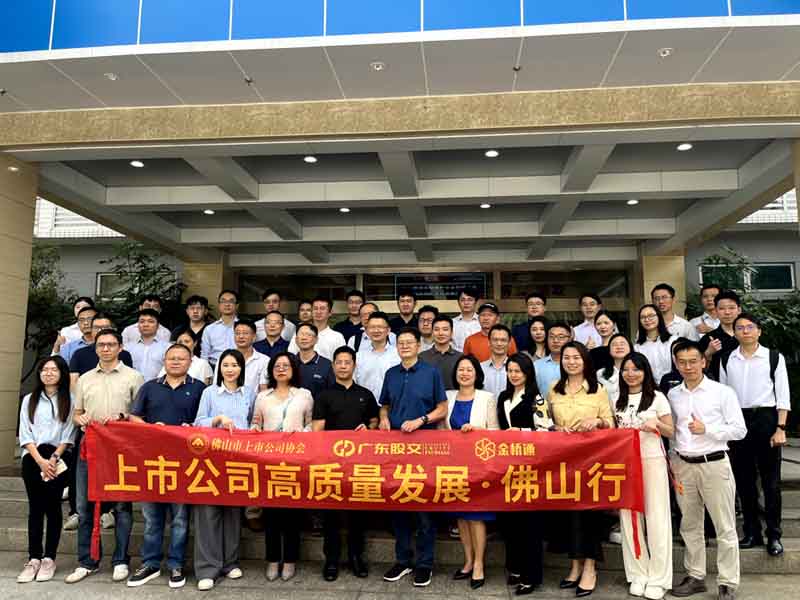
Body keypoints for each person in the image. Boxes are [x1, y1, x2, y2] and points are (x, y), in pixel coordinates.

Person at [668, 340, 746, 600]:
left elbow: (739, 430)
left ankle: (727, 583)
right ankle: (695, 576)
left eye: (693, 361)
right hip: (683, 465)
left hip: (714, 464)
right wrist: (673, 461)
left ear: (703, 361)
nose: (688, 367)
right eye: (682, 362)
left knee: (725, 526)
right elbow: (673, 432)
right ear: (676, 364)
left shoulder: (722, 392)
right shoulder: (673, 394)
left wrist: (708, 430)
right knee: (689, 525)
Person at [66, 329, 144, 584]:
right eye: (102, 345)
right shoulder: (85, 379)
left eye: (111, 344)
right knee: (84, 506)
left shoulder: (134, 377)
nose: (106, 349)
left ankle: (121, 560)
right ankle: (87, 561)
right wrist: (81, 419)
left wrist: (123, 418)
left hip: (122, 449)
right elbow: (76, 413)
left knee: (121, 506)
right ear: (96, 348)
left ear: (120, 347)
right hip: (90, 446)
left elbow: (140, 416)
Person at [127, 343, 206, 589]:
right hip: (152, 462)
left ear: (190, 362)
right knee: (152, 517)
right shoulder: (150, 387)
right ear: (164, 360)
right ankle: (150, 563)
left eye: (181, 358)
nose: (176, 362)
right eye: (171, 358)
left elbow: (204, 421)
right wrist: (151, 429)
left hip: (185, 463)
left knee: (180, 519)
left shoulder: (199, 388)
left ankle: (176, 564)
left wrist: (191, 429)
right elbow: (133, 417)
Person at [379, 327, 448, 587]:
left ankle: (425, 564)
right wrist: (384, 418)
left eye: (410, 342)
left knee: (423, 509)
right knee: (398, 506)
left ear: (419, 345)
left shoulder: (431, 373)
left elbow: (442, 408)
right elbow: (385, 404)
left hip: (424, 448)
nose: (405, 346)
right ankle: (403, 560)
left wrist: (421, 420)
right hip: (395, 449)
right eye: (401, 342)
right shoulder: (391, 373)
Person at [720, 313, 791, 557]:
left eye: (750, 327)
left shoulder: (773, 357)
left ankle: (774, 535)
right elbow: (723, 396)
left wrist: (780, 428)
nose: (745, 331)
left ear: (759, 331)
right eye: (740, 328)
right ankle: (751, 532)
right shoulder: (727, 358)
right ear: (734, 332)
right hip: (738, 420)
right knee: (744, 481)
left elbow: (783, 395)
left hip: (766, 419)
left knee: (771, 482)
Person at [547, 341, 614, 597]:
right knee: (569, 513)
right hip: (563, 459)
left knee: (589, 514)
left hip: (591, 459)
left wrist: (596, 421)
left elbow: (610, 423)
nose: (571, 362)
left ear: (585, 361)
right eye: (567, 357)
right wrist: (556, 428)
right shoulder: (554, 388)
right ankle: (574, 566)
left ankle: (590, 568)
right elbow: (546, 421)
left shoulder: (598, 389)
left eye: (576, 357)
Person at [313, 346, 378, 581]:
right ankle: (331, 560)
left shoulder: (365, 394)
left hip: (359, 464)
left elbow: (374, 422)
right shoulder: (324, 395)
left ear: (354, 365)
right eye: (339, 362)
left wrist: (368, 428)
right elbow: (317, 430)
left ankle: (356, 558)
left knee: (357, 514)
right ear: (333, 366)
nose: (343, 366)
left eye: (347, 362)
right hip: (331, 464)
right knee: (331, 514)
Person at [192, 349, 255, 591]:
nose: (230, 369)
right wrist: (217, 419)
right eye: (226, 365)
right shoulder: (209, 392)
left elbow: (252, 422)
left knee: (232, 512)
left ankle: (230, 562)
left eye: (235, 365)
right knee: (208, 512)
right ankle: (207, 568)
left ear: (241, 369)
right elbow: (198, 422)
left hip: (238, 459)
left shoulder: (248, 393)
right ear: (219, 368)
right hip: (210, 459)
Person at [615, 353, 674, 600]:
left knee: (656, 517)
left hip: (652, 462)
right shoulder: (616, 399)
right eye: (626, 369)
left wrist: (657, 424)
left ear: (645, 371)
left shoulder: (658, 397)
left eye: (636, 369)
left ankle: (659, 578)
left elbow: (671, 431)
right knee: (629, 518)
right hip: (625, 465)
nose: (631, 374)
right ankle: (637, 573)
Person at [252, 352, 313, 582]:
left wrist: (301, 435)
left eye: (286, 365)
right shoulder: (262, 397)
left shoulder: (304, 395)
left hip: (295, 462)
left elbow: (311, 424)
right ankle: (272, 559)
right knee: (271, 515)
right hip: (269, 462)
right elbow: (255, 422)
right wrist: (255, 430)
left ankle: (289, 560)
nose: (281, 369)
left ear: (294, 369)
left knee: (292, 515)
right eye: (277, 366)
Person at [497, 353, 552, 595]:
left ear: (528, 373)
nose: (514, 375)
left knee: (530, 524)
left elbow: (545, 431)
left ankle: (531, 576)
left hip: (531, 467)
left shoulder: (537, 399)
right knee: (511, 523)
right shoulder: (503, 397)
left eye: (518, 371)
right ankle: (516, 568)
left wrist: (518, 431)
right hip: (507, 468)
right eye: (510, 370)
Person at [442, 354, 498, 590]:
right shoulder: (447, 396)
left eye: (469, 370)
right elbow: (441, 430)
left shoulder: (487, 398)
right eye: (461, 370)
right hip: (454, 465)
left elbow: (495, 432)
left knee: (476, 516)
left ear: (477, 374)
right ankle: (467, 561)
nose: (464, 373)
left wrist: (476, 430)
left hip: (478, 465)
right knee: (462, 517)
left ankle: (479, 564)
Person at [17, 356, 75, 584]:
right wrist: (40, 461)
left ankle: (49, 558)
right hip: (33, 457)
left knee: (52, 507)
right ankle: (33, 558)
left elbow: (69, 434)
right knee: (35, 508)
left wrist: (53, 458)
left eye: (53, 370)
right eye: (44, 369)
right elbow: (25, 433)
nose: (48, 373)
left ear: (62, 373)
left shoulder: (70, 399)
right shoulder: (29, 399)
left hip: (58, 458)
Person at [68, 313, 134, 384]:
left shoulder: (124, 354)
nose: (100, 331)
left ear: (113, 329)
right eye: (96, 328)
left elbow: (129, 380)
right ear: (91, 330)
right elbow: (74, 383)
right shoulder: (79, 355)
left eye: (105, 327)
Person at [213, 319, 269, 398]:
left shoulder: (264, 360)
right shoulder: (224, 358)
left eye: (245, 333)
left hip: (251, 403)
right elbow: (216, 384)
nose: (241, 336)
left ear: (254, 337)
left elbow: (263, 390)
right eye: (237, 333)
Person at [354, 311, 401, 401]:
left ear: (388, 330)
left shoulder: (398, 355)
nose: (376, 330)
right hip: (365, 405)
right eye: (372, 327)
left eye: (380, 327)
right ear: (366, 331)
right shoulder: (359, 357)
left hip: (392, 405)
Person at [698, 290, 742, 381]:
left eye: (731, 308)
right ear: (716, 311)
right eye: (722, 309)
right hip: (718, 385)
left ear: (739, 310)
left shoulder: (748, 335)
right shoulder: (708, 339)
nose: (727, 312)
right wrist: (708, 353)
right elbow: (697, 369)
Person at [287, 322, 335, 400]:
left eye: (308, 335)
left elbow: (332, 393)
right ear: (296, 340)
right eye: (301, 334)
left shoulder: (326, 364)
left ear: (316, 340)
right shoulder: (288, 363)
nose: (304, 338)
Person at [634, 304, 677, 384]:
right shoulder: (637, 348)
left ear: (659, 317)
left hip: (672, 385)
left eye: (651, 316)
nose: (647, 319)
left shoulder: (673, 341)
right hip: (649, 387)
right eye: (643, 317)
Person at [420, 315, 463, 391]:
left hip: (454, 397)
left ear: (451, 333)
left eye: (445, 329)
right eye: (436, 329)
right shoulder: (422, 357)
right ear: (432, 332)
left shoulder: (461, 357)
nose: (440, 333)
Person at [126, 309, 170, 381]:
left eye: (151, 321)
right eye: (142, 321)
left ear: (158, 326)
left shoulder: (168, 348)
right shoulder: (127, 348)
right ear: (138, 325)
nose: (146, 325)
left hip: (158, 386)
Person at [201, 290, 239, 369]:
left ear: (237, 305)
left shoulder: (244, 327)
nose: (227, 304)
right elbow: (204, 355)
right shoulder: (209, 329)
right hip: (214, 366)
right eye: (223, 301)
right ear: (219, 305)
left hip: (238, 366)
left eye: (231, 301)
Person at [534, 322, 572, 397]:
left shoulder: (576, 365)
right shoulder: (537, 365)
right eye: (551, 337)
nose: (555, 340)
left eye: (561, 337)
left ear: (570, 339)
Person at [596, 333, 633, 406]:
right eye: (614, 345)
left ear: (630, 347)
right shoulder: (600, 373)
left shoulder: (639, 371)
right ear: (609, 350)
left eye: (622, 344)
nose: (619, 347)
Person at [481, 324, 512, 396]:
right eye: (495, 340)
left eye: (503, 340)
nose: (499, 344)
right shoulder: (479, 368)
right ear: (489, 342)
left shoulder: (517, 369)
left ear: (509, 343)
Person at [452, 287, 481, 352]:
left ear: (476, 302)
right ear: (458, 302)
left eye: (470, 300)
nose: (466, 303)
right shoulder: (452, 323)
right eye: (462, 300)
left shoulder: (482, 322)